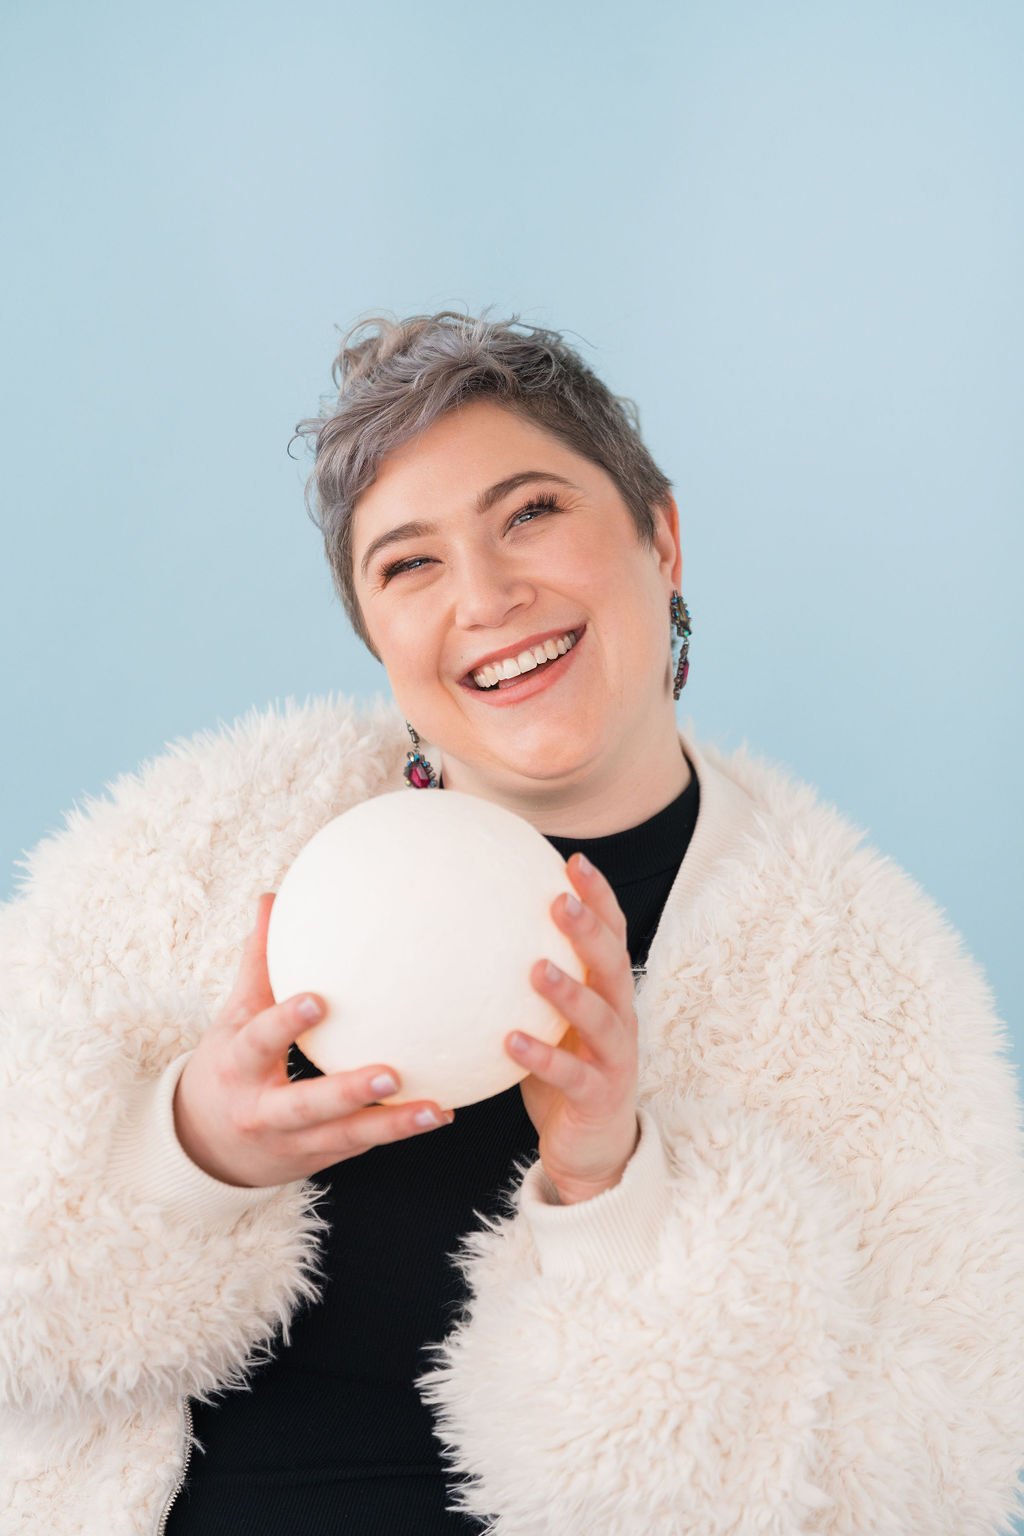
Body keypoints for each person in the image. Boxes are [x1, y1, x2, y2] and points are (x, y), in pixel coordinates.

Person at [2, 310, 1023, 1536]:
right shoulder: (185, 860)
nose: (484, 597)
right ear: (376, 637)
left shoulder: (869, 994)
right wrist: (188, 1153)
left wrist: (610, 1194)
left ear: (661, 536)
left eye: (530, 512)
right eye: (408, 564)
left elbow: (915, 1487)